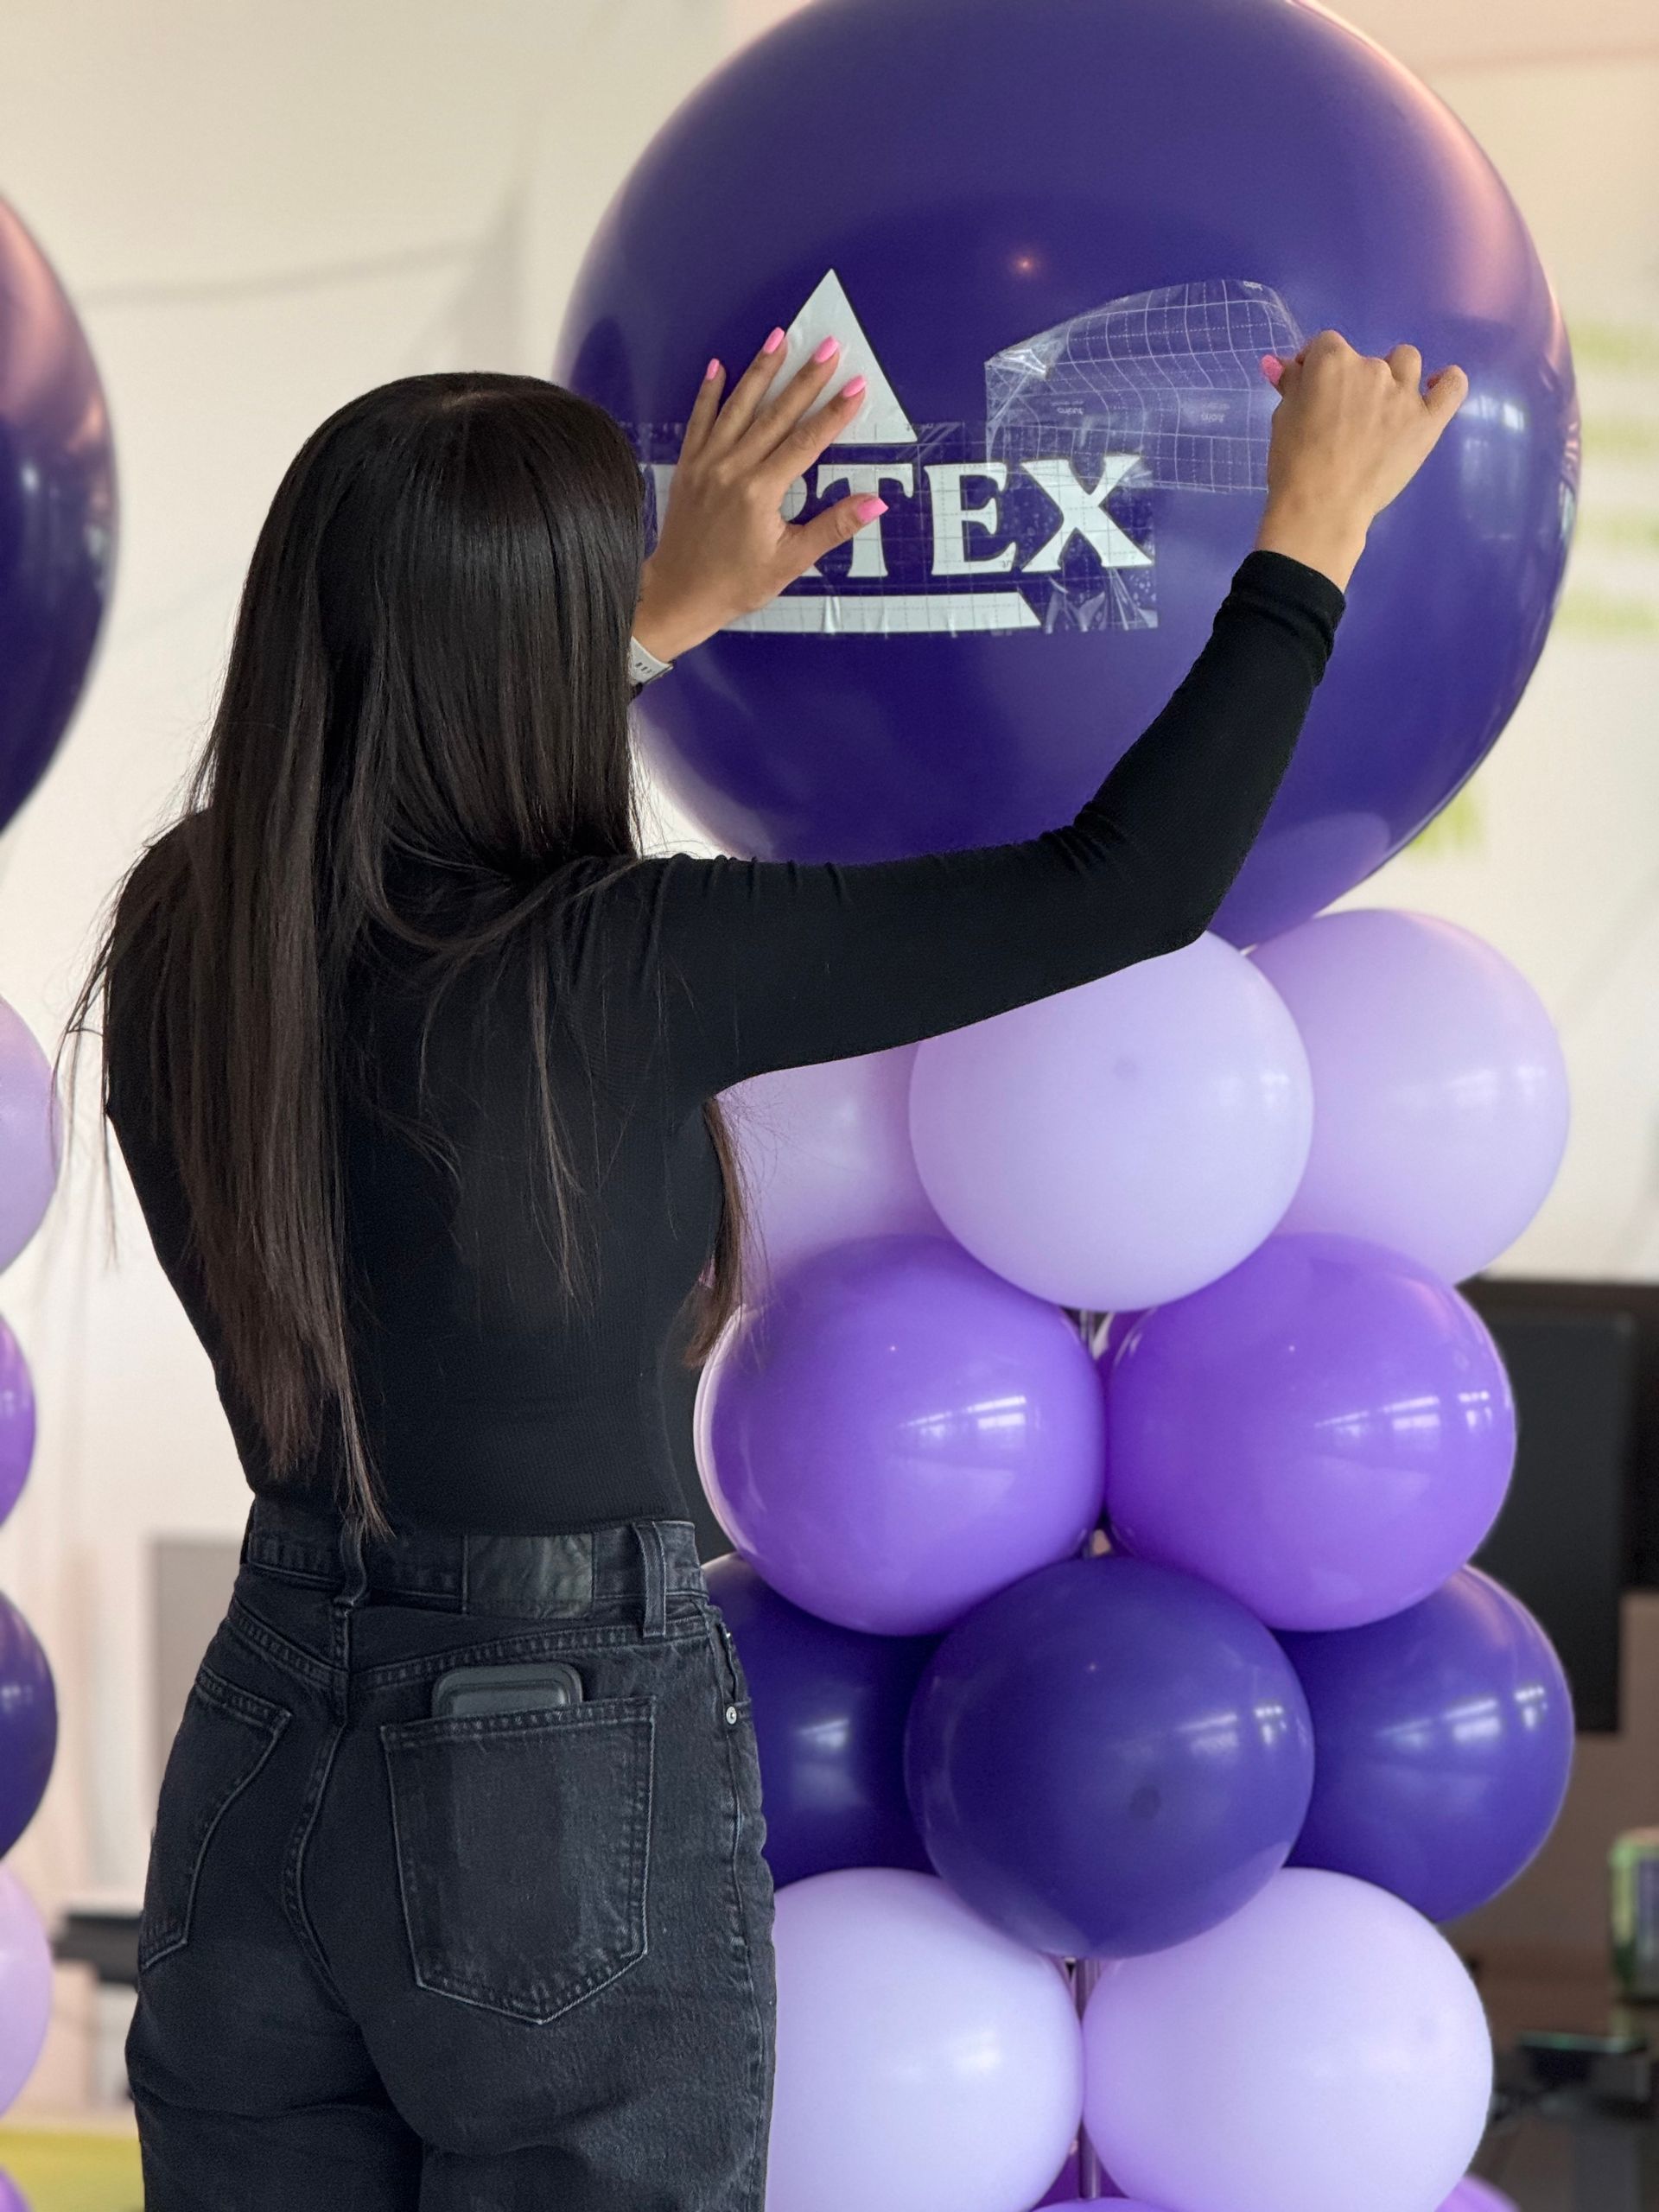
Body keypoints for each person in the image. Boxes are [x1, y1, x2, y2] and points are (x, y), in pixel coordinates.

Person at [72, 324, 1464, 2209]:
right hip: (541, 1752)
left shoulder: (190, 921)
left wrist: (644, 619)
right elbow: (1124, 888)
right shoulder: (615, 963)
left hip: (262, 1743)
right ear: (531, 653)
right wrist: (1313, 531)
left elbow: (402, 823)